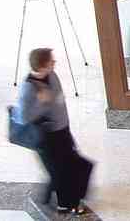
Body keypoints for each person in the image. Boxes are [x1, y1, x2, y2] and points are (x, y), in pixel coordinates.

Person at [18, 48, 93, 215]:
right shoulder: (28, 88)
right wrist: (41, 102)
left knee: (76, 166)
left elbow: (58, 102)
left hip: (62, 131)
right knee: (62, 172)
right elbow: (24, 117)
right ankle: (66, 204)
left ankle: (60, 197)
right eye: (51, 61)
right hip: (48, 138)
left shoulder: (52, 76)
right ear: (43, 65)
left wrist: (66, 128)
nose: (54, 63)